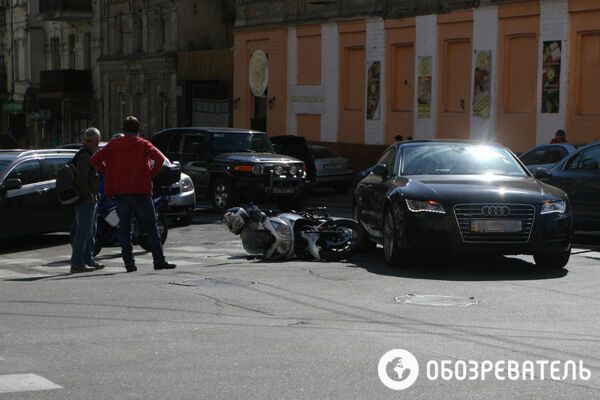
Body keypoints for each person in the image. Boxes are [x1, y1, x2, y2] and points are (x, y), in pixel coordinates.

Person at [91, 116, 176, 272]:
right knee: (151, 227)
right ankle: (159, 260)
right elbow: (159, 159)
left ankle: (129, 264)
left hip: (120, 193)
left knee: (124, 229)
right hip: (141, 191)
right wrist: (150, 174)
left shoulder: (113, 145)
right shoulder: (143, 144)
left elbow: (95, 160)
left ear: (124, 130)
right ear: (138, 130)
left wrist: (107, 172)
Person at [71, 128, 105, 273]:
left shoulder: (88, 153)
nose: (98, 143)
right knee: (83, 232)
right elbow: (81, 180)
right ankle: (77, 263)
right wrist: (89, 196)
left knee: (91, 231)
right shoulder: (84, 156)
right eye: (97, 140)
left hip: (90, 198)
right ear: (92, 141)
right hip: (85, 200)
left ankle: (88, 259)